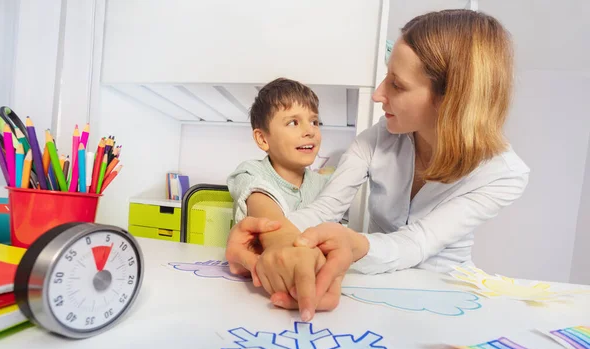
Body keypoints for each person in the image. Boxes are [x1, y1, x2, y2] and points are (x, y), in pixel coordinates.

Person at [226, 9, 530, 319]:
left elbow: (417, 242)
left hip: (444, 294)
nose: (378, 94)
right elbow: (323, 210)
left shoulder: (503, 175)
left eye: (397, 85)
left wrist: (351, 244)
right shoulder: (376, 139)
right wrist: (274, 241)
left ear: (450, 98)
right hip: (371, 287)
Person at [226, 78, 333, 318]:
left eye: (315, 121)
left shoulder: (324, 185)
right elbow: (261, 203)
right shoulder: (250, 172)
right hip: (251, 298)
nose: (310, 131)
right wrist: (283, 241)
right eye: (293, 122)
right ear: (263, 139)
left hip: (308, 285)